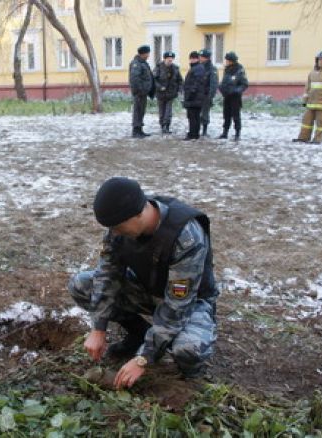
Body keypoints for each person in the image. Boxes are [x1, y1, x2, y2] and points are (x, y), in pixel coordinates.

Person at [68, 177, 219, 389]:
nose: (115, 233)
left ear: (139, 213)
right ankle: (139, 333)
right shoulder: (120, 226)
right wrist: (98, 328)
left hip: (190, 303)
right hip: (148, 289)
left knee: (189, 349)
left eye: (118, 227)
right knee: (82, 286)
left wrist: (144, 359)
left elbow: (177, 307)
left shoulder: (186, 236)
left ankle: (191, 380)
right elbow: (107, 275)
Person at [293, 51, 322, 144]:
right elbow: (307, 87)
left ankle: (318, 139)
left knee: (320, 123)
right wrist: (305, 100)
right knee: (306, 121)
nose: (320, 61)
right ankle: (303, 137)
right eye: (319, 59)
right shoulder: (313, 72)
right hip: (311, 103)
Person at [218, 51, 249, 141]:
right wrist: (221, 87)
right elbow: (224, 81)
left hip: (235, 97)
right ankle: (225, 132)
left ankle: (237, 133)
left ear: (232, 61)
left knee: (236, 115)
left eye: (227, 60)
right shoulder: (227, 69)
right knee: (226, 115)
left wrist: (236, 91)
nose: (226, 62)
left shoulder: (239, 70)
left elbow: (244, 84)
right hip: (227, 96)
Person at [153, 51, 183, 134]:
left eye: (171, 59)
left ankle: (167, 126)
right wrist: (159, 87)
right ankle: (162, 125)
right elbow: (154, 80)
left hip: (171, 93)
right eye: (168, 59)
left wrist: (180, 89)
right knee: (162, 110)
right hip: (161, 93)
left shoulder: (175, 68)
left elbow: (180, 80)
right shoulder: (158, 67)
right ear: (164, 59)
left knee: (168, 111)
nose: (170, 61)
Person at [129, 45, 155, 138]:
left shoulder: (143, 63)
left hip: (143, 92)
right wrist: (140, 90)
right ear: (143, 54)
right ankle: (136, 131)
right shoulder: (136, 64)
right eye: (147, 53)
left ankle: (140, 130)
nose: (148, 55)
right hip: (139, 93)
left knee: (141, 111)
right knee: (138, 111)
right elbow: (135, 79)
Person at [182, 51, 207, 140]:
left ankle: (193, 134)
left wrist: (190, 95)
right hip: (196, 97)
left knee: (193, 116)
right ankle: (194, 133)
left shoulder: (197, 68)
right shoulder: (197, 68)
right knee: (195, 116)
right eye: (191, 58)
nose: (191, 60)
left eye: (193, 58)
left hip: (194, 97)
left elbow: (196, 84)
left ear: (196, 59)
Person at [198, 49, 218, 137]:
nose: (200, 58)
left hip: (206, 95)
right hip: (197, 94)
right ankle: (197, 128)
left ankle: (204, 130)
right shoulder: (198, 66)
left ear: (206, 58)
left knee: (205, 113)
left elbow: (213, 83)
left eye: (201, 57)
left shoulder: (211, 69)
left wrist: (211, 95)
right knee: (196, 113)